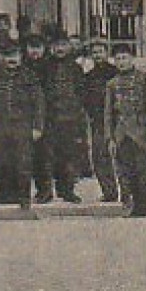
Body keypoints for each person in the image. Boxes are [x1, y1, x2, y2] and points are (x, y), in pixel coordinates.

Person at [104, 42, 146, 217]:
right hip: (121, 134)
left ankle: (142, 206)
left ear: (132, 59)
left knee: (143, 170)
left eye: (125, 58)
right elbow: (108, 114)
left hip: (141, 133)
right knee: (124, 171)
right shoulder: (112, 84)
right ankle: (128, 204)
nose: (121, 62)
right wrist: (110, 138)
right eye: (118, 59)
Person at [0, 38, 45, 208]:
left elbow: (39, 103)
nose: (12, 60)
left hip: (23, 126)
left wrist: (37, 126)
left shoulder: (29, 77)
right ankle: (5, 194)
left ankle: (23, 197)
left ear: (20, 56)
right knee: (3, 161)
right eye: (8, 56)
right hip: (2, 125)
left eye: (15, 55)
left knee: (23, 162)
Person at [40, 36, 88, 203]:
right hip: (50, 118)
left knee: (68, 156)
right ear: (51, 47)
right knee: (46, 156)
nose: (59, 48)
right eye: (56, 44)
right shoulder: (45, 67)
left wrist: (76, 111)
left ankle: (67, 190)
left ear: (68, 46)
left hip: (70, 118)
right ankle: (46, 191)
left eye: (62, 44)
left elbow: (82, 93)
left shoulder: (75, 68)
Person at [80, 38, 119, 202]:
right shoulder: (89, 77)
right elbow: (85, 98)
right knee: (99, 156)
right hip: (98, 121)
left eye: (100, 52)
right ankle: (109, 191)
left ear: (107, 53)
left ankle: (128, 192)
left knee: (123, 156)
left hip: (118, 120)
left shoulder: (116, 73)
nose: (97, 55)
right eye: (94, 53)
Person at [19, 35, 53, 202]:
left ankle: (45, 190)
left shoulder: (49, 67)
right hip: (24, 116)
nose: (34, 51)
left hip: (46, 116)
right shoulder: (22, 67)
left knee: (43, 155)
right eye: (31, 47)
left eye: (37, 47)